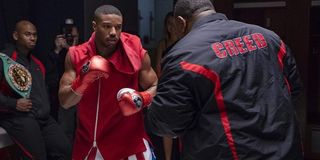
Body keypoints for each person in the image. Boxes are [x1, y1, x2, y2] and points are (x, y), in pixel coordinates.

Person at [119, 0, 304, 159]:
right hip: (285, 151)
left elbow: (168, 123)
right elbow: (293, 90)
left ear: (181, 23)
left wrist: (148, 106)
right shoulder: (269, 38)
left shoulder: (184, 55)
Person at [58, 5, 158, 160]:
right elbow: (65, 101)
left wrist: (142, 99)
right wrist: (82, 81)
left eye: (118, 27)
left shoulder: (135, 50)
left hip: (128, 144)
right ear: (94, 26)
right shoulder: (76, 55)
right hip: (88, 144)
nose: (113, 32)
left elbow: (155, 85)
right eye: (106, 26)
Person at [0, 20, 71, 159]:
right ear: (16, 35)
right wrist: (13, 103)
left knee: (65, 149)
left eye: (34, 35)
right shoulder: (4, 59)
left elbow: (48, 85)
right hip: (18, 117)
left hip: (43, 118)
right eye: (27, 34)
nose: (32, 38)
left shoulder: (37, 63)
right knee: (39, 156)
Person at [46, 18, 79, 143]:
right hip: (64, 96)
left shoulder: (83, 50)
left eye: (74, 36)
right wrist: (57, 50)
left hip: (82, 95)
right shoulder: (56, 54)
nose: (71, 39)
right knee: (65, 131)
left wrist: (73, 49)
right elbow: (49, 75)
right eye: (68, 36)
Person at [154, 11, 180, 160]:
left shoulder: (186, 41)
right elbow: (158, 67)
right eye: (168, 24)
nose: (171, 27)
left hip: (181, 85)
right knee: (167, 127)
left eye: (174, 23)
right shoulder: (163, 44)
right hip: (166, 86)